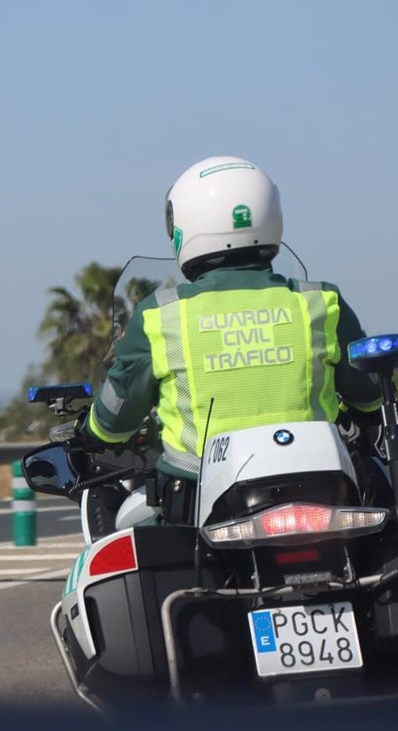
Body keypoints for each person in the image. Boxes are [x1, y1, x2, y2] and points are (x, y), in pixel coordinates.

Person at [79, 155, 384, 524]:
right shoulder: (321, 302)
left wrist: (91, 432)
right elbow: (370, 397)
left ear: (184, 226)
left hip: (198, 497)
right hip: (323, 490)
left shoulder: (161, 315)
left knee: (128, 529)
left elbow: (113, 421)